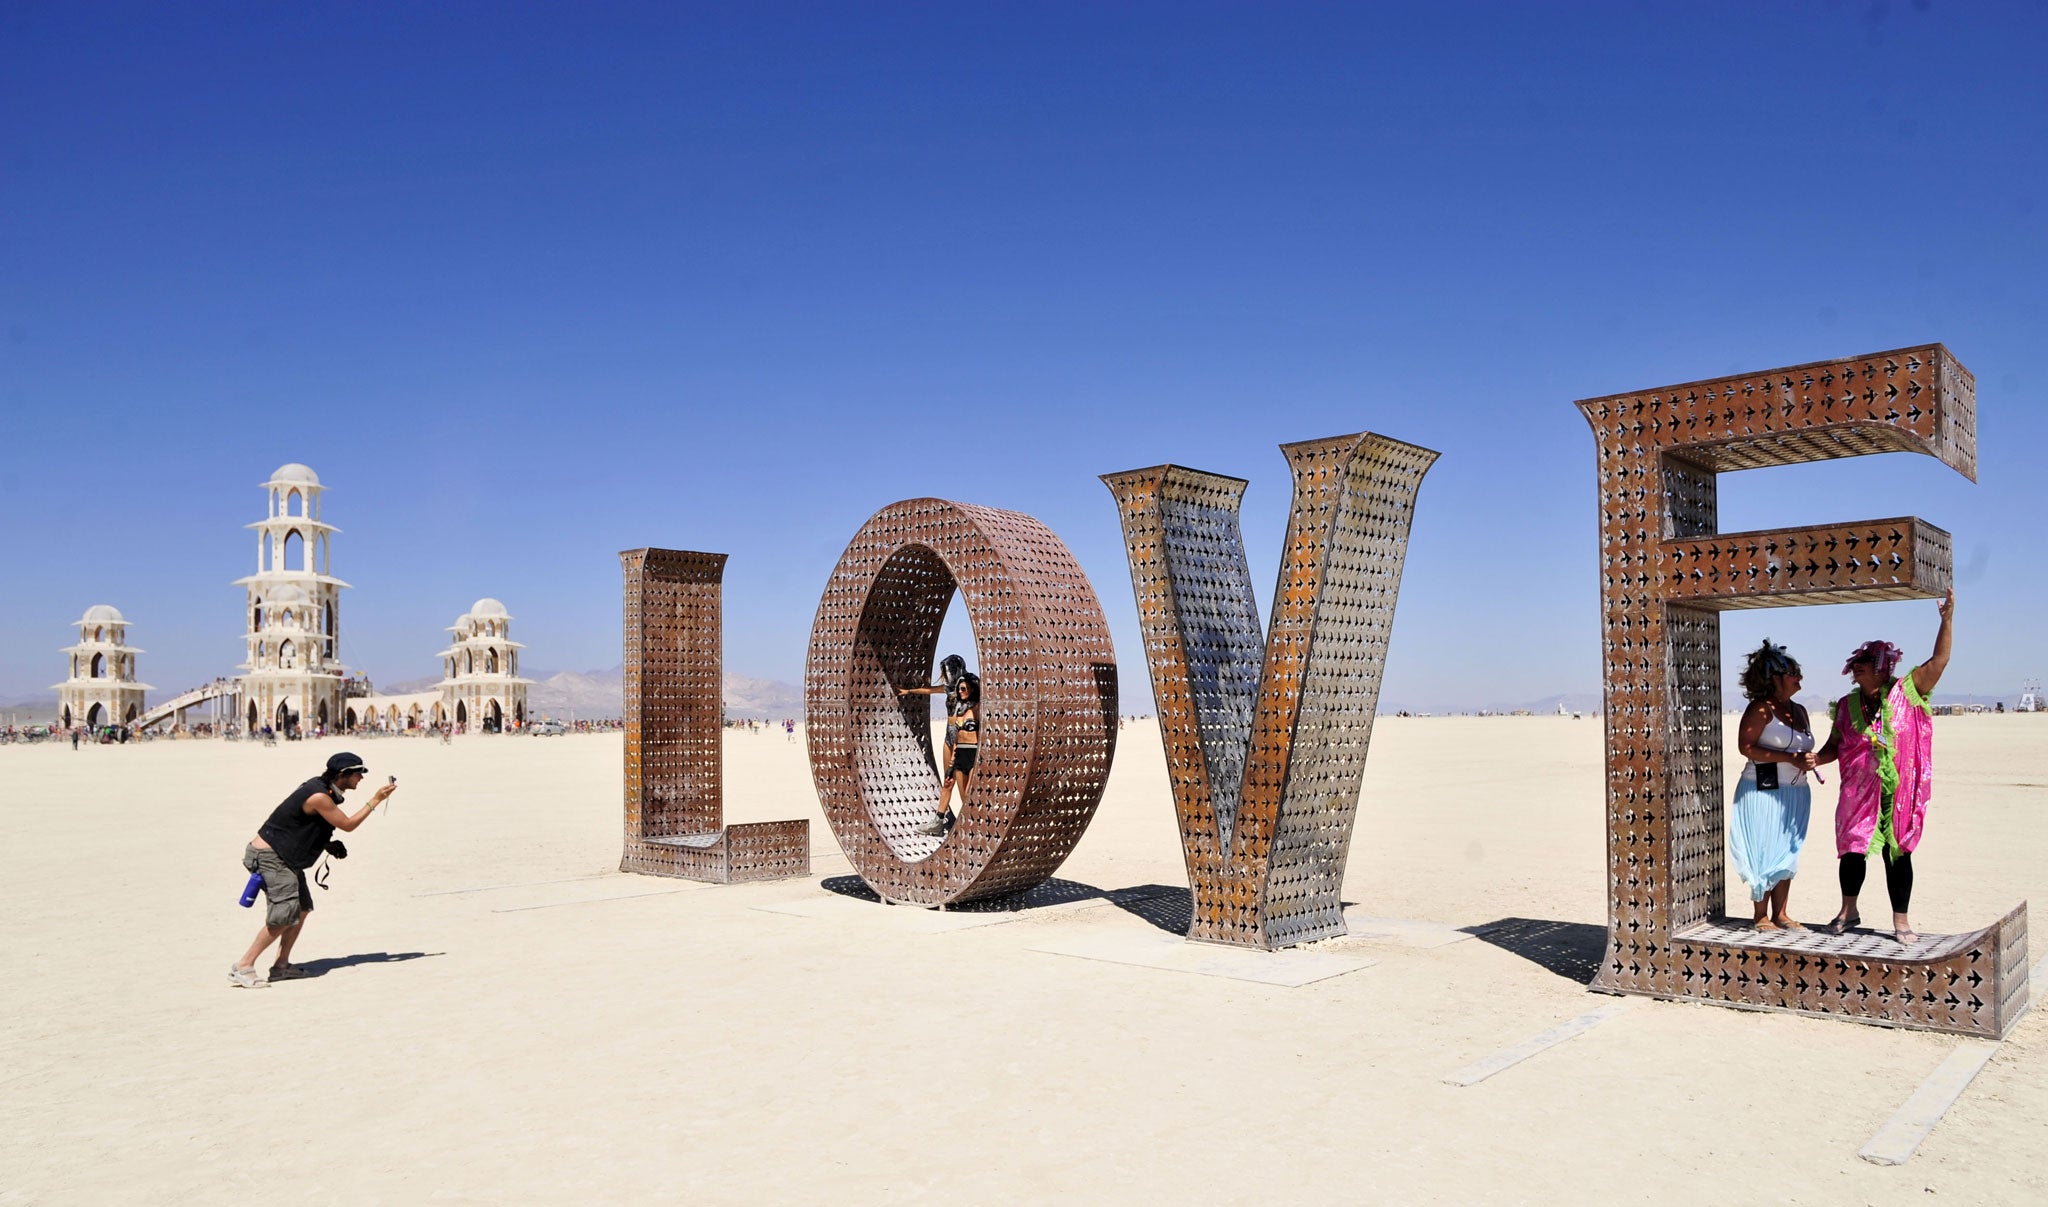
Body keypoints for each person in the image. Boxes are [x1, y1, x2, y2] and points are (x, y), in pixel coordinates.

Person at [1812, 589, 1954, 945]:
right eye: (1856, 661)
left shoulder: (1907, 692)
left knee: (1898, 851)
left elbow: (1938, 661)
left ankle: (1901, 921)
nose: (1856, 665)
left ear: (1882, 667)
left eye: (1865, 661)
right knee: (1852, 849)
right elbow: (1835, 745)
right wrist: (1817, 757)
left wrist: (1947, 619)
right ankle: (1849, 911)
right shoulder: (1846, 705)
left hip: (1898, 789)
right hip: (1858, 789)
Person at [229, 751, 397, 988]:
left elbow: (302, 823)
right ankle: (243, 966)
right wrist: (376, 799)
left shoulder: (326, 790)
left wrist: (326, 843)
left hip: (286, 857)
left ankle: (281, 966)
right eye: (359, 773)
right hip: (271, 857)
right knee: (284, 915)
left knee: (302, 909)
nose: (361, 777)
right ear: (343, 775)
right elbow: (348, 825)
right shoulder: (319, 795)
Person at [1728, 640, 1816, 929]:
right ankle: (1760, 914)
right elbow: (1746, 747)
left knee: (1787, 851)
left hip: (1796, 792)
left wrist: (1811, 760)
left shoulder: (1800, 710)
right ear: (1774, 678)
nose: (1799, 677)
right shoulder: (1760, 709)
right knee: (1764, 849)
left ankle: (1781, 913)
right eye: (1793, 672)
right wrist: (1790, 757)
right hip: (1763, 790)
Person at [897, 653, 981, 837]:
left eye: (947, 671)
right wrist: (909, 692)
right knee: (948, 780)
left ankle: (967, 820)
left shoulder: (968, 687)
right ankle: (944, 819)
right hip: (949, 736)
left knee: (962, 786)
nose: (945, 676)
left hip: (963, 739)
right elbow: (929, 690)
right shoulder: (950, 688)